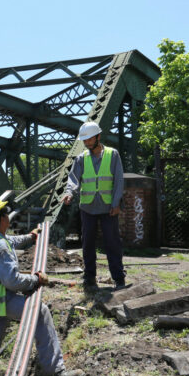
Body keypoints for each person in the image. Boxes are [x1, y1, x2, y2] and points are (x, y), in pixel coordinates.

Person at [0, 198, 80, 376]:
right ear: (1, 218)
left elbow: (11, 242)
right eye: (6, 214)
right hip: (3, 299)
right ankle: (55, 371)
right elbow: (12, 281)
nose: (8, 217)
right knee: (40, 312)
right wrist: (36, 279)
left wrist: (30, 237)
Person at [62, 121, 126, 290]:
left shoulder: (113, 155)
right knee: (87, 244)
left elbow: (119, 180)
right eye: (85, 141)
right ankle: (89, 278)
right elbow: (73, 179)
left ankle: (119, 278)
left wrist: (116, 203)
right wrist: (69, 193)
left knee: (112, 243)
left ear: (98, 136)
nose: (87, 143)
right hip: (88, 207)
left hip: (108, 207)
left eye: (90, 139)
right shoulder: (81, 158)